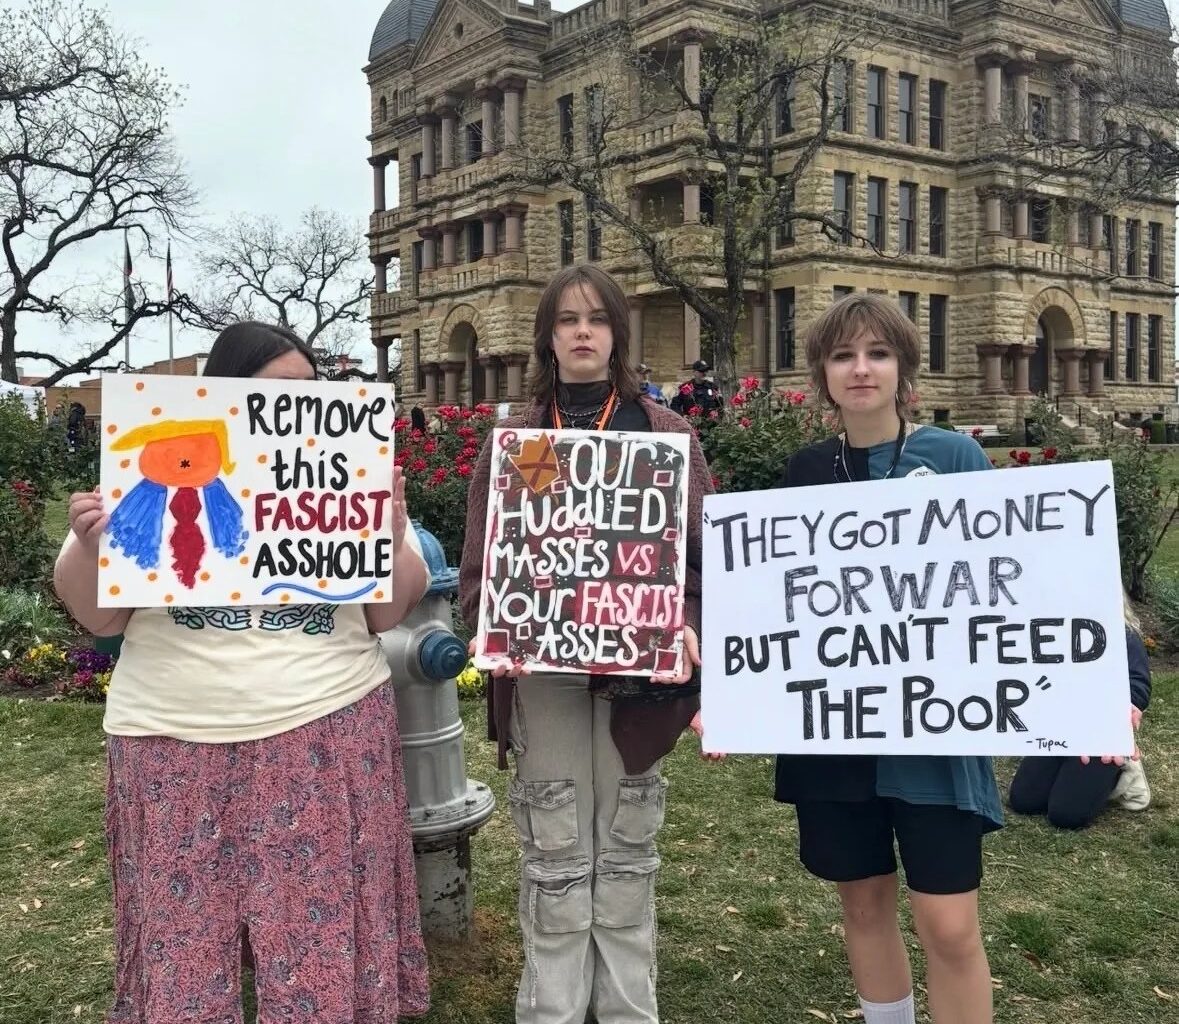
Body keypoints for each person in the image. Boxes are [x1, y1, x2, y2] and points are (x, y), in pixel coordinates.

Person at [54, 321, 431, 1024]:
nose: (300, 406)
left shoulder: (345, 474)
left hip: (325, 722)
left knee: (318, 946)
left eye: (311, 392)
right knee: (182, 946)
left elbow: (387, 616)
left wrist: (391, 531)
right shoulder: (158, 468)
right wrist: (86, 543)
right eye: (279, 392)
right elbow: (101, 618)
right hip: (173, 735)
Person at [459, 265, 713, 1024]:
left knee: (628, 847)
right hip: (546, 676)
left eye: (596, 320)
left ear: (616, 335)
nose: (581, 332)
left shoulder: (666, 435)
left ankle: (630, 1009)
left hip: (640, 681)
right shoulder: (519, 438)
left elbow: (703, 555)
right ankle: (553, 1009)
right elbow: (481, 563)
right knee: (557, 850)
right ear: (547, 336)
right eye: (566, 319)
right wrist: (496, 621)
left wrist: (689, 616)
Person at [774, 294, 1000, 1024]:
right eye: (842, 355)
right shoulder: (803, 473)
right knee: (864, 908)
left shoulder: (954, 457)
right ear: (822, 375)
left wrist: (1110, 686)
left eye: (876, 353)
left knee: (949, 925)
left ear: (902, 366)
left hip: (934, 731)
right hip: (833, 732)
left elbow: (1023, 580)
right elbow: (774, 605)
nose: (860, 368)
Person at [1008, 595, 1152, 828]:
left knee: (1066, 815)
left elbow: (1138, 682)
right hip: (1061, 726)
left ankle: (1122, 771)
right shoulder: (1047, 628)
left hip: (1100, 733)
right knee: (1024, 800)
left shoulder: (1122, 633)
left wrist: (1127, 707)